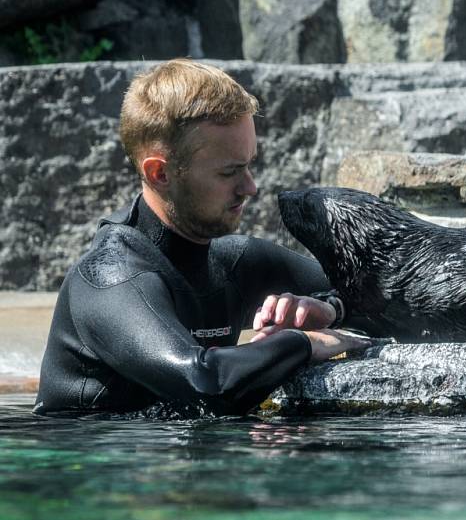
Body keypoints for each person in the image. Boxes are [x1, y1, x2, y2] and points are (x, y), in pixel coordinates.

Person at [34, 59, 368, 417]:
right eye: (230, 171)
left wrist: (331, 309)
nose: (251, 187)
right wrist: (304, 342)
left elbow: (384, 293)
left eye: (249, 164)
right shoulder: (110, 280)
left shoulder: (235, 264)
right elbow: (206, 382)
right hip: (91, 465)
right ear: (160, 173)